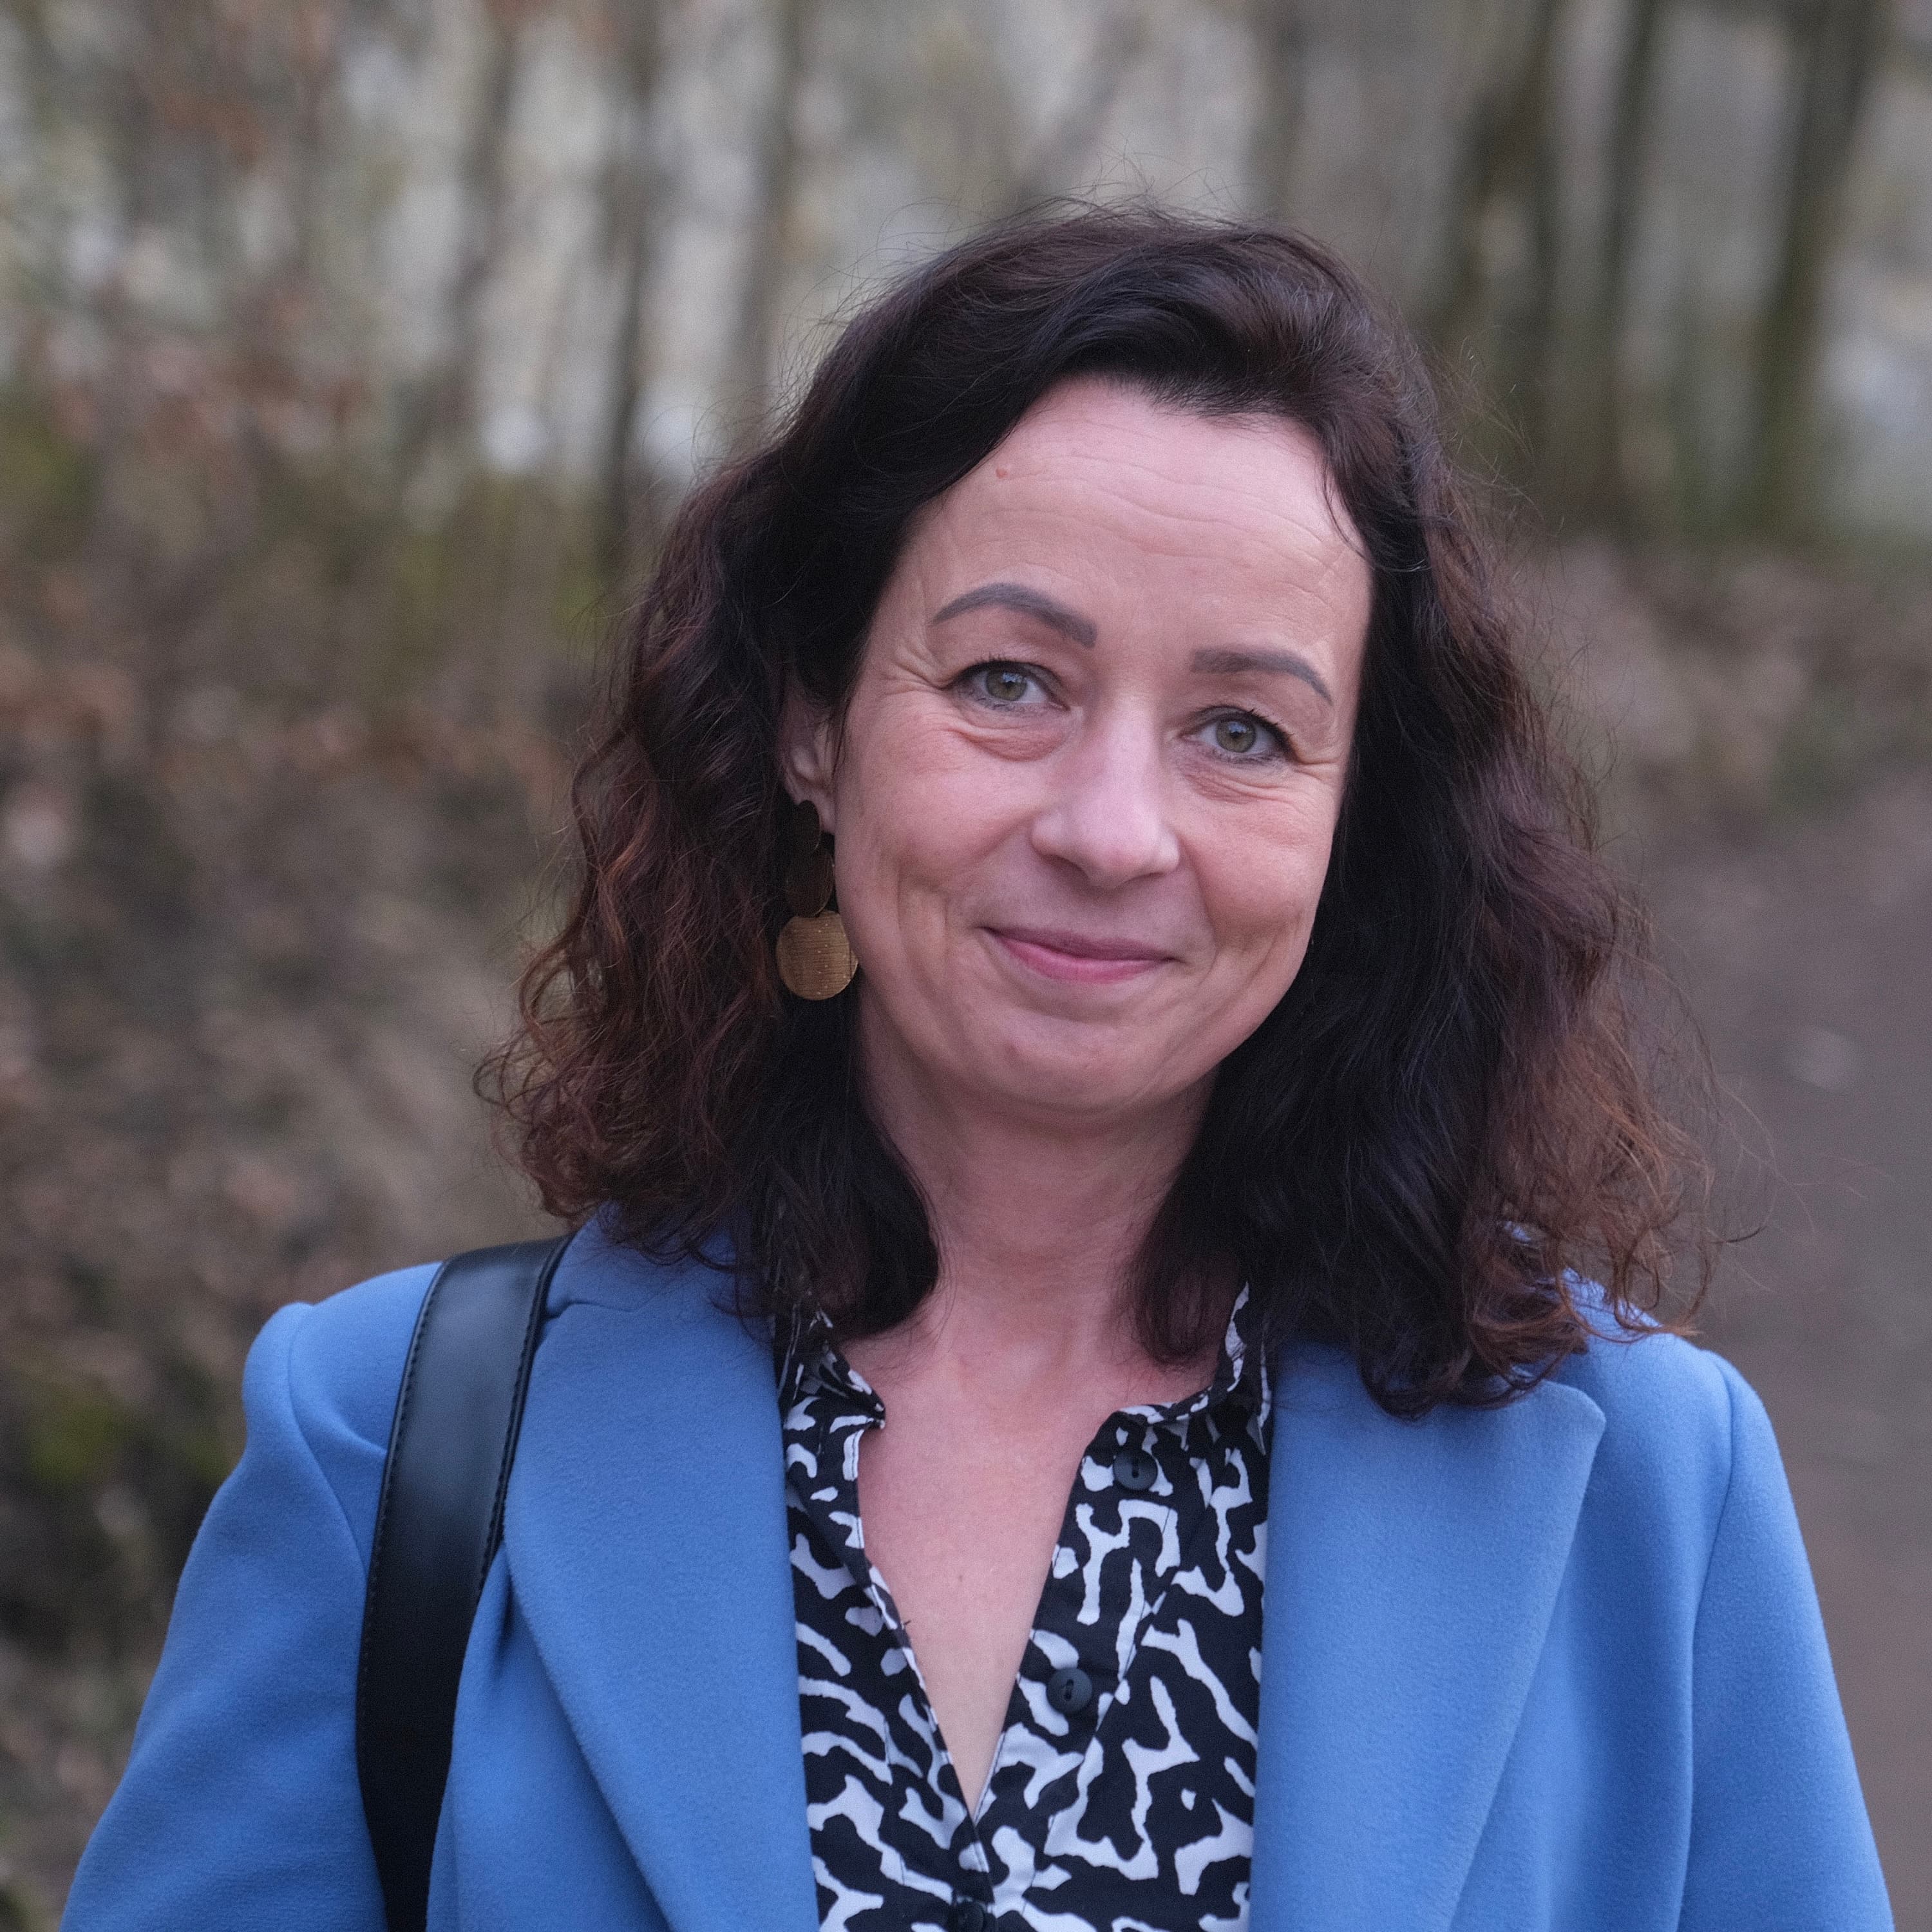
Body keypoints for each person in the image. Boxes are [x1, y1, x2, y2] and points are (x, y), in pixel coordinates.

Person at [62, 207, 1891, 1932]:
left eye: (1243, 730)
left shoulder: (1654, 1495)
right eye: (1011, 681)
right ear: (813, 721)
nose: (1112, 830)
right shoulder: (392, 1449)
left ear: (1361, 823)